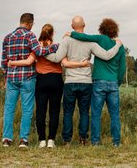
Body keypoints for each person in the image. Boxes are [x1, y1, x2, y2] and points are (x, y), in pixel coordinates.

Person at [44, 16, 123, 146]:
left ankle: (67, 140)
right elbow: (106, 55)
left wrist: (42, 53)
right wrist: (118, 45)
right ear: (84, 25)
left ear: (72, 26)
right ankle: (83, 139)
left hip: (70, 81)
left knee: (68, 112)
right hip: (86, 82)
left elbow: (57, 58)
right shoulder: (91, 42)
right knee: (84, 112)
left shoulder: (67, 40)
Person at [8, 23, 89, 148]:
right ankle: (51, 140)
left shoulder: (36, 48)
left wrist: (12, 63)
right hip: (56, 80)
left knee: (41, 111)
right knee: (54, 111)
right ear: (52, 34)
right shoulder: (57, 47)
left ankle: (41, 140)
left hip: (41, 80)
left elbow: (29, 61)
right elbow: (63, 62)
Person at [1, 13, 58, 148]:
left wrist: (6, 77)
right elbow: (38, 51)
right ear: (30, 23)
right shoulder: (30, 36)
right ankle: (23, 140)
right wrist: (54, 47)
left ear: (21, 21)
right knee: (27, 109)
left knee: (9, 108)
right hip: (27, 77)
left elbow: (4, 61)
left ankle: (7, 139)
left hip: (12, 78)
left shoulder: (7, 37)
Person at [69, 18, 126, 147]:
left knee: (96, 114)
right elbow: (122, 69)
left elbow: (83, 36)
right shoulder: (120, 47)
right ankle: (116, 142)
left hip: (98, 81)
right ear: (115, 31)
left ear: (102, 29)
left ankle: (95, 142)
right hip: (113, 82)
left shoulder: (100, 39)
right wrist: (118, 83)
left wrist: (71, 33)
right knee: (115, 115)